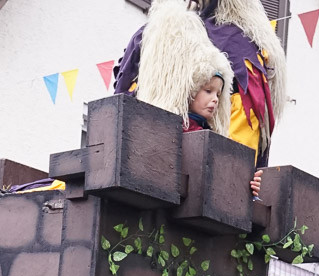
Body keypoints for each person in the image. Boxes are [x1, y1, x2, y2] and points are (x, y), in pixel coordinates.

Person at [114, 0, 287, 169]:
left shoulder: (236, 43)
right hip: (164, 158)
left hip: (182, 162)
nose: (214, 100)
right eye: (209, 91)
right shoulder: (162, 30)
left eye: (217, 94)